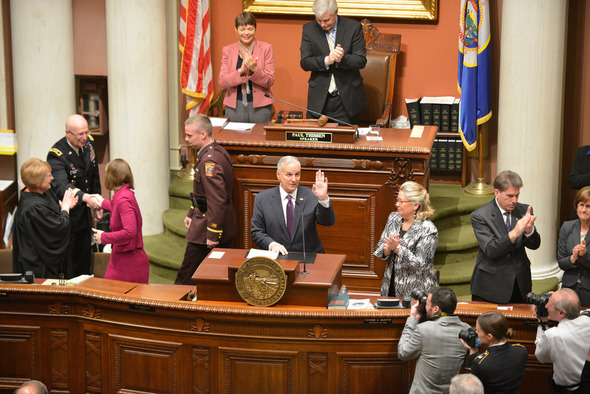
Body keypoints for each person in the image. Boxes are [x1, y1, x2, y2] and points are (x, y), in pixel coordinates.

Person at [175, 114, 236, 285]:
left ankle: (174, 308)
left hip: (207, 227)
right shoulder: (217, 152)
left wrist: (213, 233)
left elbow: (217, 200)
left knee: (186, 277)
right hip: (212, 222)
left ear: (203, 134)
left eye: (189, 135)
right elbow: (201, 193)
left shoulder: (210, 162)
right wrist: (191, 212)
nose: (186, 139)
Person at [470, 170, 541, 304]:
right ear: (497, 193)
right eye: (509, 196)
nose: (514, 201)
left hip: (520, 284)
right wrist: (514, 233)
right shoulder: (480, 216)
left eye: (517, 195)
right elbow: (491, 249)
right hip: (491, 285)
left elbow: (535, 245)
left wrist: (529, 230)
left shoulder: (524, 210)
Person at [47, 114, 102, 278]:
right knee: (71, 262)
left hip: (85, 213)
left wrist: (97, 203)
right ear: (68, 133)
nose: (84, 137)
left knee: (85, 257)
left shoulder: (89, 143)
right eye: (80, 134)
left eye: (86, 132)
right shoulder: (56, 154)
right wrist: (87, 198)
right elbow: (62, 186)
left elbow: (93, 174)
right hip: (68, 216)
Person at [300, 0, 368, 125]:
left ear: (336, 12)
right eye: (319, 20)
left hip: (346, 101)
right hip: (319, 100)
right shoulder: (309, 29)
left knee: (345, 143)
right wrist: (326, 60)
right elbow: (305, 62)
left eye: (327, 20)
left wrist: (343, 58)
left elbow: (361, 60)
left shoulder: (353, 28)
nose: (322, 24)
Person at [250, 156, 336, 255]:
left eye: (297, 174)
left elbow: (327, 222)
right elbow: (256, 232)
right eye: (289, 175)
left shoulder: (311, 195)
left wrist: (323, 199)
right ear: (278, 174)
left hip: (308, 257)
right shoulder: (263, 199)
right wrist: (272, 244)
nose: (294, 179)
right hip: (278, 257)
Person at [12, 158, 77, 278]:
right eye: (48, 176)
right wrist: (65, 209)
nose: (52, 178)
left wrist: (64, 207)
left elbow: (53, 213)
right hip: (38, 267)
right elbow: (58, 227)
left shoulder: (42, 192)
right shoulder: (34, 207)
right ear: (38, 181)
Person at [398, 287, 471, 394]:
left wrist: (413, 319)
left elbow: (403, 353)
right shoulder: (466, 330)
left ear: (436, 309)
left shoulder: (423, 329)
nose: (425, 306)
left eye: (427, 303)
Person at [373, 181, 438, 298]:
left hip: (416, 291)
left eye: (401, 201)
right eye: (397, 200)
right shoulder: (394, 218)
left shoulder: (428, 229)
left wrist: (398, 249)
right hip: (390, 284)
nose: (397, 204)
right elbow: (380, 246)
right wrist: (386, 249)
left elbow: (420, 265)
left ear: (415, 205)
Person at [92, 159, 149, 284]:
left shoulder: (123, 199)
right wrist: (102, 202)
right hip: (123, 259)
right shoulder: (124, 194)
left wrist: (104, 237)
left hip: (129, 264)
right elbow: (117, 207)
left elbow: (130, 231)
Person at [218, 12, 274, 123]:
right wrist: (241, 71)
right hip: (235, 106)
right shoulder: (227, 50)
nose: (246, 33)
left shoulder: (266, 48)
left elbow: (270, 81)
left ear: (255, 29)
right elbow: (222, 81)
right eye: (242, 29)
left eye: (250, 29)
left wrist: (255, 70)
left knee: (259, 139)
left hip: (260, 107)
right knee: (235, 139)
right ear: (236, 30)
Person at [535, 288, 590, 393]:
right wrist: (560, 297)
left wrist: (542, 323)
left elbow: (541, 357)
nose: (546, 306)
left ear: (561, 313)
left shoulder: (553, 335)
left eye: (549, 304)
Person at [461, 311, 528, 393]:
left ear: (489, 336)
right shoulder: (521, 351)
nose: (476, 333)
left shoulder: (480, 363)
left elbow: (470, 390)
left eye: (478, 331)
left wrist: (472, 354)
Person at [557, 186, 590, 307]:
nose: (584, 210)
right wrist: (573, 257)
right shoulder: (567, 227)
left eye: (588, 206)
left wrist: (585, 255)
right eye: (581, 205)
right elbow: (561, 262)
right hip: (568, 288)